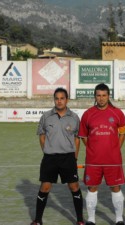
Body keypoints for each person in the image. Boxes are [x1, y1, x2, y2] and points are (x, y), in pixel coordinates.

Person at [31, 87, 84, 225]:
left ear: (67, 100)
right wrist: (47, 150)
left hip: (68, 158)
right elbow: (42, 136)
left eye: (62, 98)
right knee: (45, 187)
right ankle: (37, 220)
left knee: (74, 187)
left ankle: (80, 220)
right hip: (50, 158)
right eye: (57, 98)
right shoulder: (46, 116)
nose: (59, 101)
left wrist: (75, 157)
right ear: (54, 99)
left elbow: (77, 139)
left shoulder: (74, 118)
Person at [78, 83, 125, 225]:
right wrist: (93, 148)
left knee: (116, 188)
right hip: (94, 160)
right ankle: (91, 220)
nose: (101, 98)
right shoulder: (87, 114)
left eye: (104, 95)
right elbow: (83, 136)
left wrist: (115, 148)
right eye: (98, 95)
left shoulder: (117, 113)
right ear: (95, 96)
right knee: (92, 188)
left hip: (113, 159)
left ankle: (118, 219)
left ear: (108, 96)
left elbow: (122, 133)